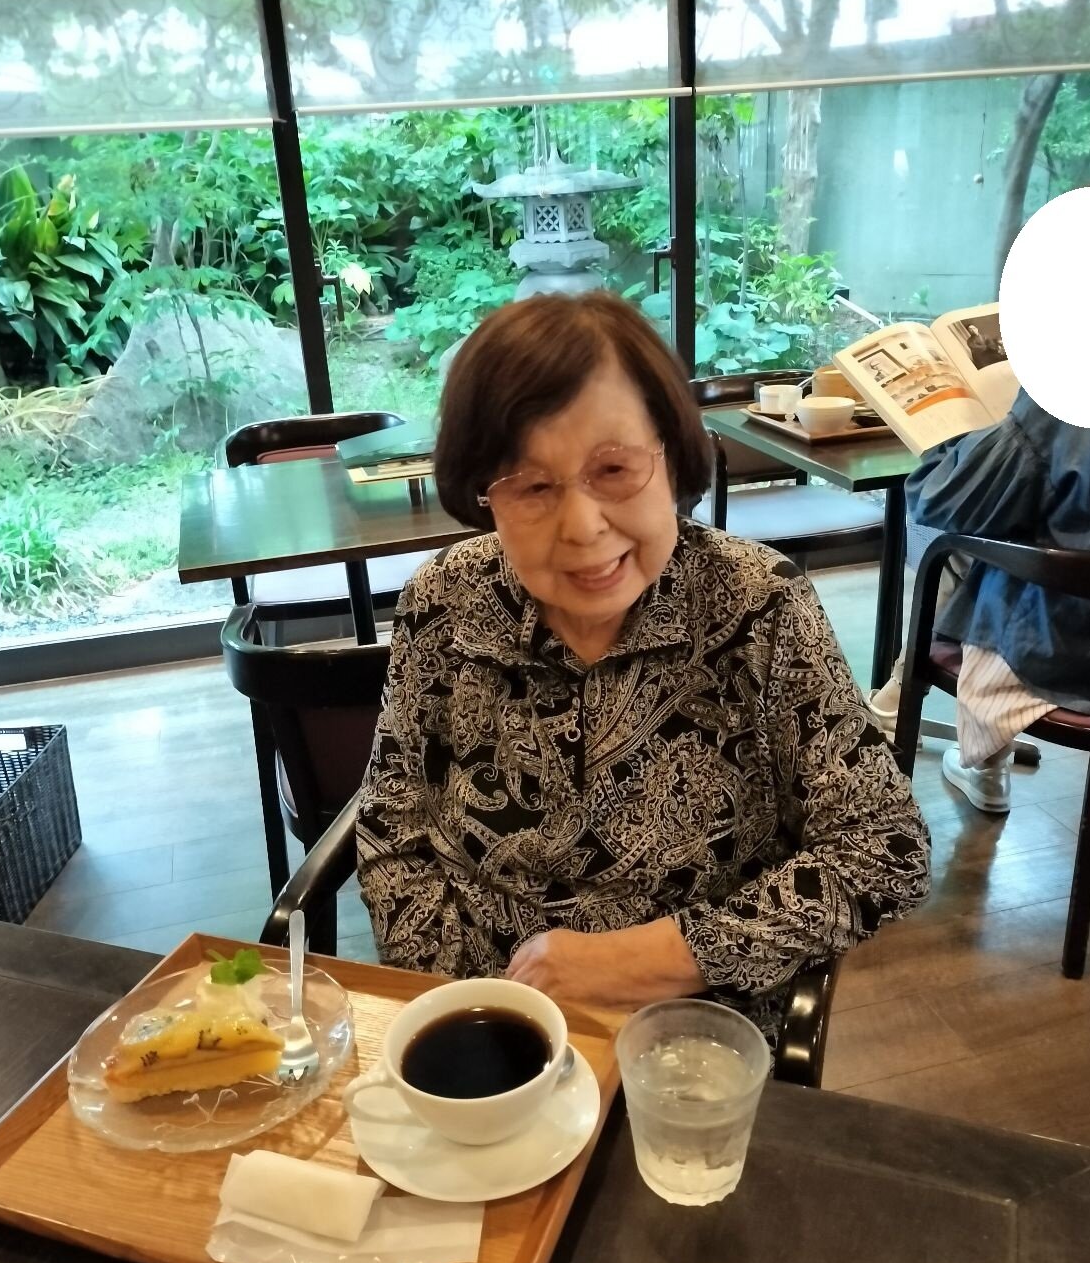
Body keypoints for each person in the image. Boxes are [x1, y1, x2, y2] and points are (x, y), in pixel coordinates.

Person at [355, 292, 930, 1043]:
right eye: (533, 486)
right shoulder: (444, 602)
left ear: (671, 457)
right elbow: (392, 829)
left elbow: (885, 850)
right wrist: (474, 1016)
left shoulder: (758, 605)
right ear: (486, 496)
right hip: (487, 1028)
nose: (583, 527)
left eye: (614, 469)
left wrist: (647, 961)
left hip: (691, 1039)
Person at [869, 176, 1090, 814]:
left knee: (952, 542)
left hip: (1082, 657)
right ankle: (906, 716)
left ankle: (943, 740)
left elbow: (942, 502)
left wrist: (955, 442)